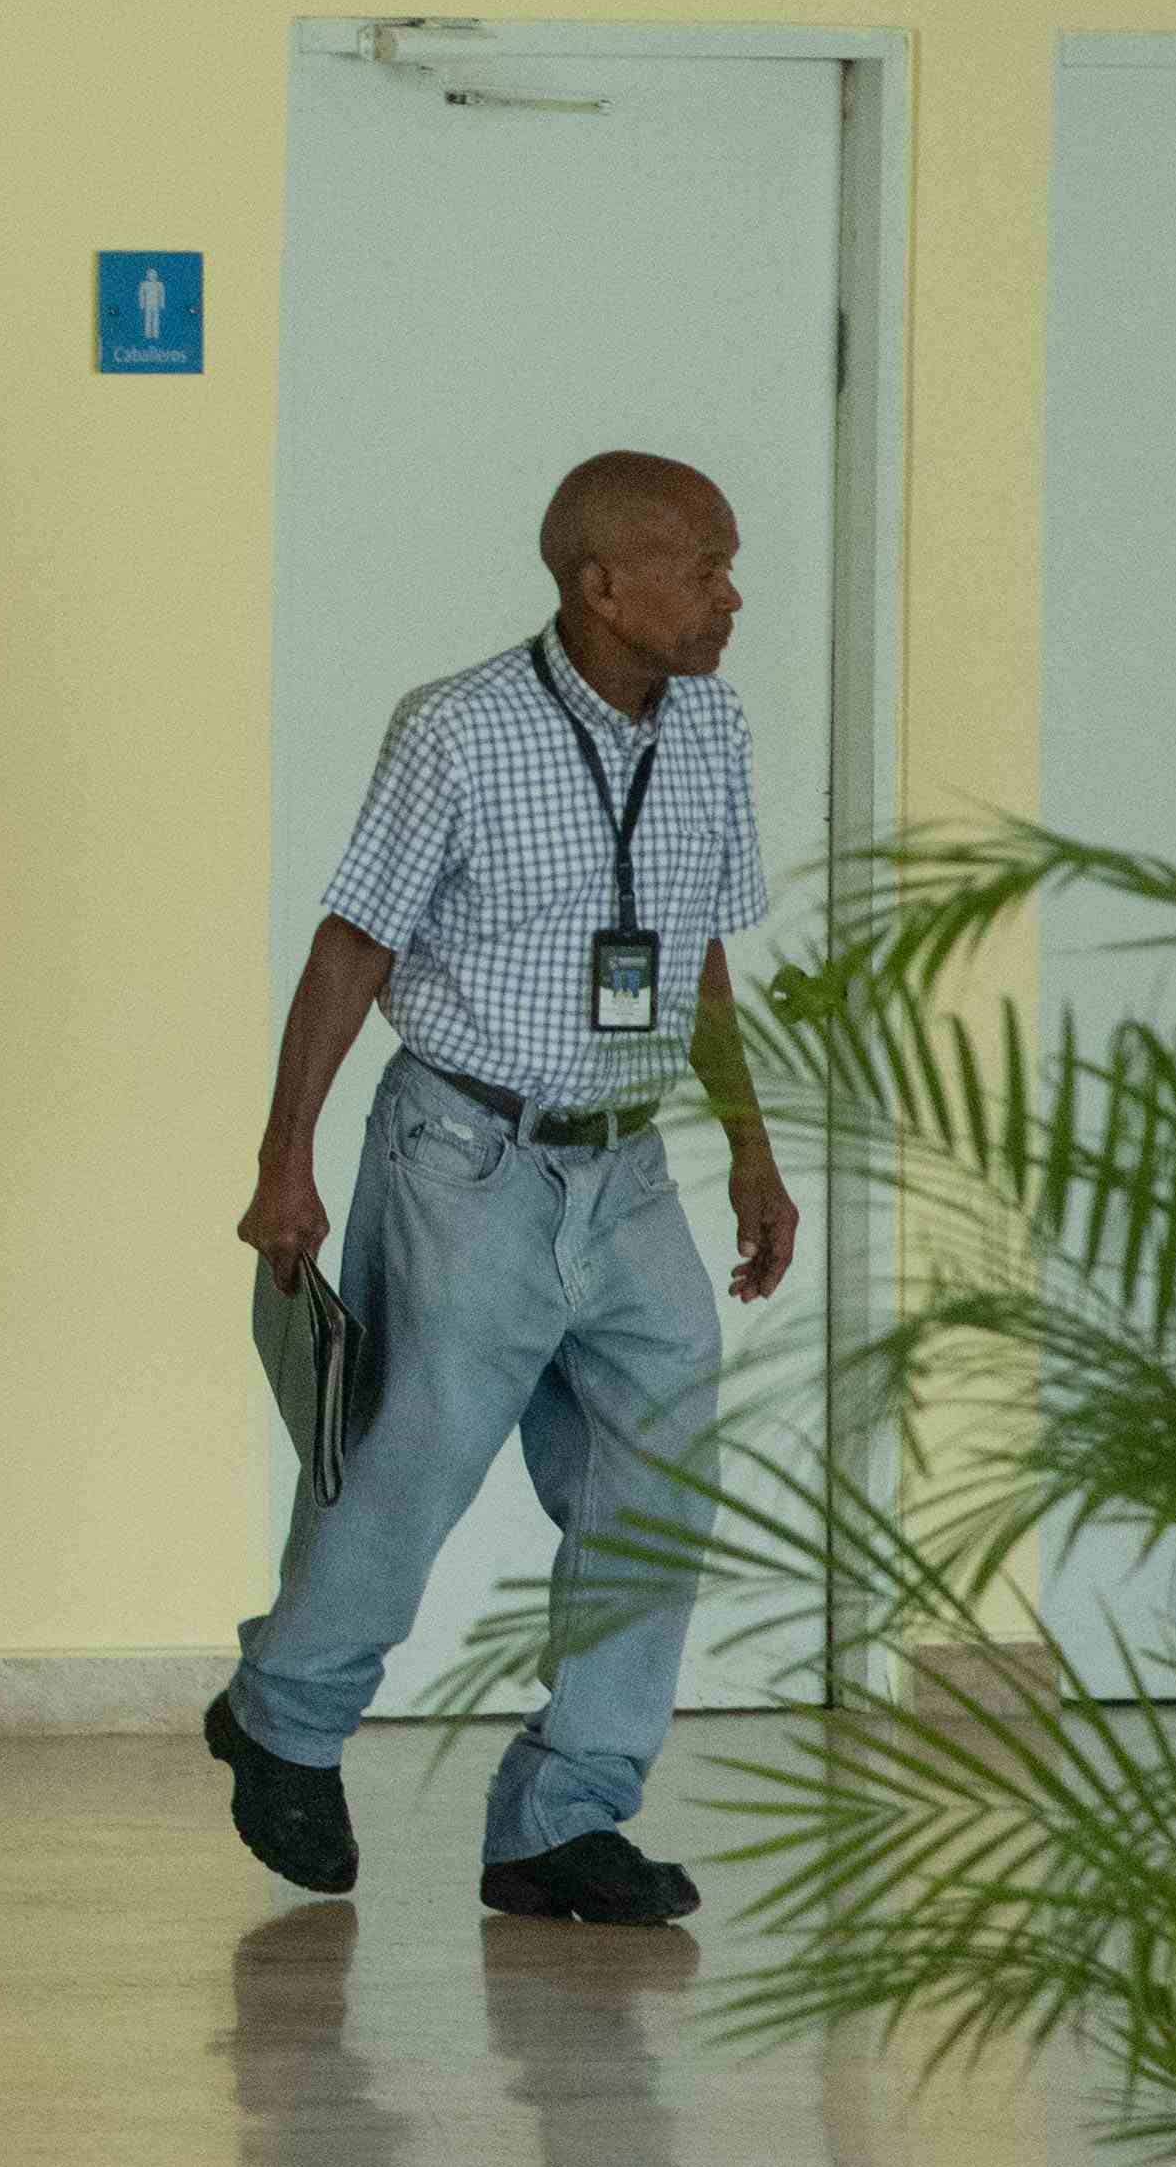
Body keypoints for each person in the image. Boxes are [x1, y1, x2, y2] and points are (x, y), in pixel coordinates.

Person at [211, 450, 802, 1928]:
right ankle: (285, 1719)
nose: (733, 596)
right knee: (409, 1464)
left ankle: (561, 1817)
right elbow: (353, 944)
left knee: (657, 1488)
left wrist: (749, 1145)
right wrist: (285, 1159)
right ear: (601, 584)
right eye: (705, 566)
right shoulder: (461, 733)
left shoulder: (714, 730)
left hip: (631, 1166)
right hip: (465, 1155)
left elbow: (695, 952)